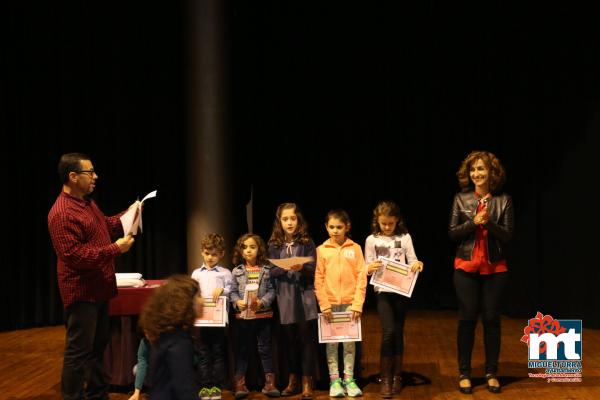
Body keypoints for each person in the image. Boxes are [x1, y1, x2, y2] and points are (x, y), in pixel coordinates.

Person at [47, 152, 136, 400]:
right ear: (73, 176)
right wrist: (116, 248)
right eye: (90, 172)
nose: (95, 177)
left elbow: (105, 226)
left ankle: (98, 394)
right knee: (79, 351)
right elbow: (75, 256)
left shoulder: (87, 202)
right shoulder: (62, 213)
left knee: (98, 347)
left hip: (99, 288)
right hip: (81, 291)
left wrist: (128, 215)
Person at [448, 150, 513, 394]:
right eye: (473, 169)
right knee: (467, 319)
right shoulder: (461, 199)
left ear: (491, 173)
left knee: (492, 321)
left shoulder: (503, 200)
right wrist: (473, 222)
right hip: (465, 267)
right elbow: (452, 233)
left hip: (495, 269)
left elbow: (507, 235)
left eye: (481, 169)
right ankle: (464, 373)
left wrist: (489, 223)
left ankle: (491, 372)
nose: (476, 173)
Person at [365, 201, 424, 398]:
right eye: (384, 224)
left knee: (398, 331)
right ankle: (386, 377)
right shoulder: (371, 240)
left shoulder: (404, 237)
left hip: (401, 290)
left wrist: (417, 264)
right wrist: (370, 268)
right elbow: (366, 266)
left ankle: (397, 375)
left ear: (397, 220)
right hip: (383, 290)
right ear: (378, 221)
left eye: (390, 223)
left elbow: (413, 259)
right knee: (388, 331)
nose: (387, 227)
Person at [267, 203, 318, 399]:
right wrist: (285, 268)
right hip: (285, 296)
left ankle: (307, 382)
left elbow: (314, 268)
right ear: (279, 222)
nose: (289, 222)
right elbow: (271, 271)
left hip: (304, 294)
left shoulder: (307, 242)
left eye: (293, 218)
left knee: (306, 339)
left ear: (299, 220)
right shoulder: (274, 244)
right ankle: (293, 380)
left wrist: (300, 268)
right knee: (289, 340)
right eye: (285, 219)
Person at [314, 209, 367, 398]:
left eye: (339, 227)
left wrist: (357, 303)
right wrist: (324, 303)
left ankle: (349, 379)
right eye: (331, 227)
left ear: (347, 227)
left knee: (349, 344)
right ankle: (334, 381)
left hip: (350, 305)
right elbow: (318, 278)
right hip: (330, 306)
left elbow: (362, 276)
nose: (335, 230)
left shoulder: (356, 248)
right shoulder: (321, 250)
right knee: (332, 344)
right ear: (326, 227)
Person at [230, 233, 279, 399]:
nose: (248, 250)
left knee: (264, 349)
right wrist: (237, 302)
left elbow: (272, 290)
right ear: (240, 251)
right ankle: (240, 384)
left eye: (252, 247)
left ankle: (269, 383)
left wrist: (262, 302)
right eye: (245, 247)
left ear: (259, 249)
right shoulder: (236, 271)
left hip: (263, 316)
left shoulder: (266, 269)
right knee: (243, 349)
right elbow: (233, 292)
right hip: (243, 317)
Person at [139, 275, 203, 400]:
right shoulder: (179, 343)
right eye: (198, 296)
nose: (203, 301)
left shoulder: (167, 336)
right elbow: (184, 389)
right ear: (184, 303)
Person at [191, 233, 233, 400]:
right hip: (201, 322)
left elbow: (232, 291)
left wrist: (223, 290)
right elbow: (191, 293)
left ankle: (216, 386)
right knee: (202, 354)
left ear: (221, 254)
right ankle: (204, 386)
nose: (210, 257)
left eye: (214, 254)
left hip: (218, 323)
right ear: (202, 252)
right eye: (207, 253)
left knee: (217, 353)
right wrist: (196, 297)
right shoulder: (196, 273)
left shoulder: (225, 273)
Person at [128, 335, 150, 400]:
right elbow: (142, 363)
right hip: (154, 369)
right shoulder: (144, 341)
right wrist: (136, 393)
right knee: (136, 369)